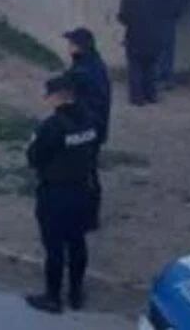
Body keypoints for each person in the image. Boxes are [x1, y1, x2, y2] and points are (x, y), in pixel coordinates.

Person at [25, 73, 99, 315]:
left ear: (58, 97)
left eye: (50, 95)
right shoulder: (89, 119)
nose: (48, 100)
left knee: (54, 247)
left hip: (55, 193)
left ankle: (53, 297)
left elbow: (35, 158)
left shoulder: (52, 126)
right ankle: (76, 294)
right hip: (83, 190)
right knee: (77, 243)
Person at [63, 27, 110, 229]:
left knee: (86, 173)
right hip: (88, 127)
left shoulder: (86, 70)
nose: (69, 47)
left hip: (87, 128)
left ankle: (88, 219)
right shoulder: (89, 65)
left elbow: (91, 101)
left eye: (72, 43)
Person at [117, 0, 162, 106]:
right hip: (154, 37)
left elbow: (124, 19)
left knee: (135, 69)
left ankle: (137, 98)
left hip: (135, 37)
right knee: (151, 68)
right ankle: (151, 96)